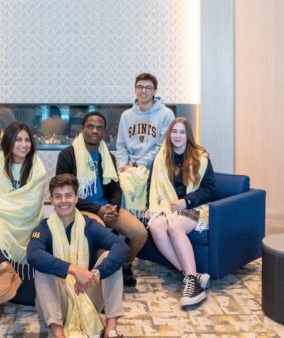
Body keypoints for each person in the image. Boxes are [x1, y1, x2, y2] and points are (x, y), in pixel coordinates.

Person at [27, 174, 129, 338]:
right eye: (58, 197)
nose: (63, 201)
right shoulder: (44, 228)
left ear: (76, 198)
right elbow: (32, 254)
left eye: (68, 195)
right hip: (57, 303)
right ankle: (58, 334)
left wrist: (95, 274)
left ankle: (110, 330)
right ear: (51, 200)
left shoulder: (89, 225)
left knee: (111, 257)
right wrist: (73, 269)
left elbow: (121, 247)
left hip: (86, 296)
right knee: (42, 266)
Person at [55, 111, 147, 287]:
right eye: (90, 126)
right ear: (82, 129)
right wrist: (98, 210)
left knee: (140, 233)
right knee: (102, 234)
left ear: (104, 132)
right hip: (81, 209)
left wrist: (114, 208)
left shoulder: (107, 156)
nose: (94, 131)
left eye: (99, 128)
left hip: (107, 208)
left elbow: (115, 187)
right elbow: (65, 195)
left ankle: (124, 265)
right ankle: (105, 278)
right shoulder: (68, 155)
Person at [0, 122, 47, 326]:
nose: (24, 145)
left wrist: (3, 210)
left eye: (27, 140)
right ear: (8, 142)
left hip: (25, 221)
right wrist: (1, 212)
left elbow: (29, 205)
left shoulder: (36, 166)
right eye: (18, 140)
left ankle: (7, 274)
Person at [146, 117, 215, 307]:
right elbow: (152, 185)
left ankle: (191, 283)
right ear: (169, 134)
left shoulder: (201, 157)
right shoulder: (161, 156)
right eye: (174, 131)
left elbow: (210, 189)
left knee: (175, 227)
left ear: (188, 135)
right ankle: (193, 276)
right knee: (156, 227)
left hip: (193, 207)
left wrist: (187, 201)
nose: (177, 136)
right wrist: (149, 207)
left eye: (182, 132)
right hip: (165, 207)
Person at [116, 73, 175, 220]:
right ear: (135, 90)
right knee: (119, 185)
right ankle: (127, 231)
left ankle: (144, 227)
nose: (143, 91)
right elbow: (121, 145)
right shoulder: (126, 115)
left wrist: (137, 166)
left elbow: (162, 147)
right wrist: (123, 167)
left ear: (155, 91)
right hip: (129, 167)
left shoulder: (166, 114)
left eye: (148, 88)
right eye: (140, 87)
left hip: (155, 167)